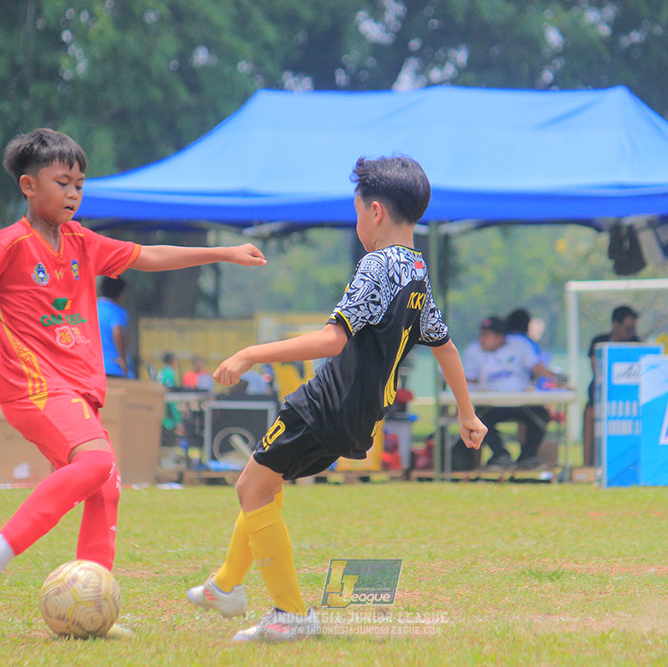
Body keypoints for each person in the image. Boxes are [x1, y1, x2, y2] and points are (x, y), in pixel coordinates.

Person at [0, 128, 266, 637]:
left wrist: (221, 253)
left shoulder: (82, 242)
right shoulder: (9, 243)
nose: (73, 193)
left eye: (80, 184)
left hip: (77, 393)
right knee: (97, 463)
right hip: (36, 389)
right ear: (28, 185)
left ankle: (93, 611)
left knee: (106, 488)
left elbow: (149, 256)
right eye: (62, 182)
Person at [184, 155, 486, 643]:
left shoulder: (378, 264)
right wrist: (468, 415)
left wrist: (250, 354)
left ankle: (291, 613)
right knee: (266, 482)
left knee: (251, 487)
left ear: (375, 212)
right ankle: (225, 585)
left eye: (356, 212)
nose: (357, 222)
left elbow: (332, 341)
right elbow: (445, 345)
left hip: (326, 402)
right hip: (360, 413)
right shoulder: (416, 271)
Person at [455, 315, 561, 471]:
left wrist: (555, 379)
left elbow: (535, 366)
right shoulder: (474, 350)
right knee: (477, 419)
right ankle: (500, 455)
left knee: (541, 416)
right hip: (491, 403)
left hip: (521, 401)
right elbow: (470, 379)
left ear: (500, 337)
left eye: (487, 335)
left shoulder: (520, 345)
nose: (482, 339)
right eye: (481, 334)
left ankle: (528, 456)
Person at [583, 305, 640, 466]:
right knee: (590, 409)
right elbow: (597, 371)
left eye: (633, 329)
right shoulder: (599, 342)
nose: (631, 333)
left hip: (629, 394)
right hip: (603, 392)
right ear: (615, 324)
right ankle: (588, 464)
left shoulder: (636, 343)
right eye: (627, 328)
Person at [97, 276, 130, 378]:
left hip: (92, 366)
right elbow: (117, 332)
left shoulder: (92, 307)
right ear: (121, 294)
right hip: (113, 366)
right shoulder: (116, 311)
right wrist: (123, 359)